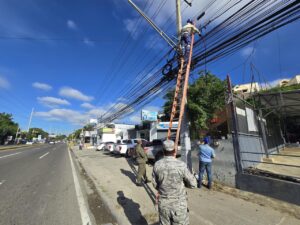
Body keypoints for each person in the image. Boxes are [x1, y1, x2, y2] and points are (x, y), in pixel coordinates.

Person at [152, 139, 197, 225]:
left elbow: (155, 184)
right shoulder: (181, 165)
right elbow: (193, 184)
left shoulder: (157, 165)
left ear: (163, 150)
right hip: (179, 204)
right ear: (174, 150)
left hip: (163, 204)